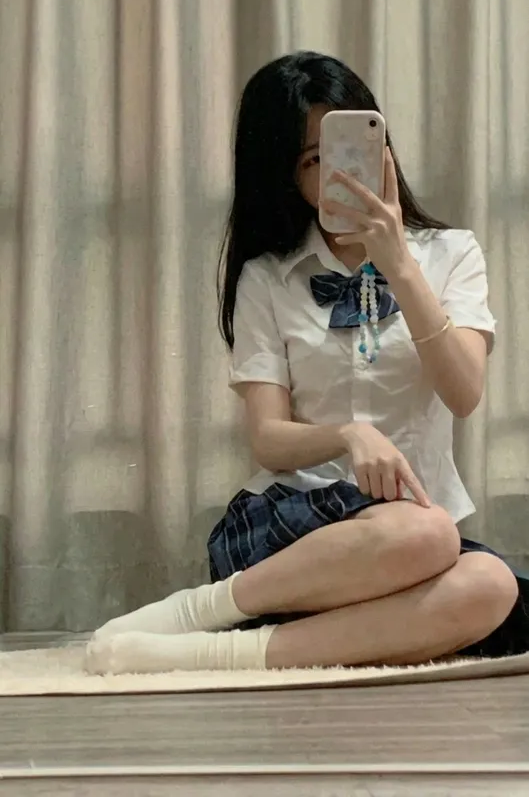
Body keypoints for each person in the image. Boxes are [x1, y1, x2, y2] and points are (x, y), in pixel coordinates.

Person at [85, 51, 528, 676]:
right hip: (298, 528)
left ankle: (213, 653)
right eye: (313, 161)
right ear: (284, 177)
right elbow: (267, 437)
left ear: (382, 148)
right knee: (428, 534)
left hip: (406, 542)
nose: (337, 174)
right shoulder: (269, 277)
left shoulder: (452, 254)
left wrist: (400, 266)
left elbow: (464, 392)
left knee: (490, 582)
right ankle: (199, 611)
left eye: (349, 148)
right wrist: (349, 435)